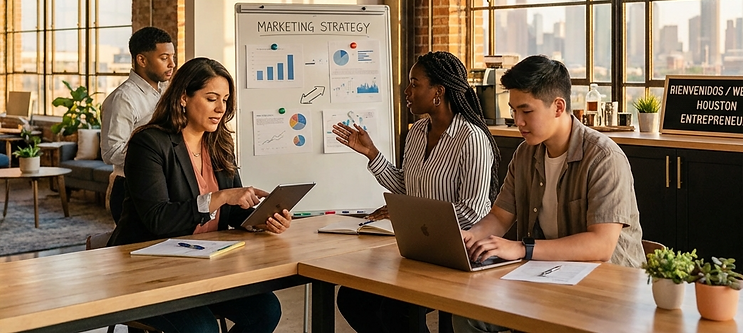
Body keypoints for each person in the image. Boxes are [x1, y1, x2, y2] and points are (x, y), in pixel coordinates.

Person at [453, 55, 644, 333]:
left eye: (526, 111)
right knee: (467, 312)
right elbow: (500, 216)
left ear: (558, 107)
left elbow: (601, 246)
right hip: (548, 276)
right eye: (513, 110)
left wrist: (522, 248)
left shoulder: (603, 157)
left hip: (606, 288)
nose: (517, 121)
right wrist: (469, 237)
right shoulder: (526, 153)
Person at [109, 57, 291, 333]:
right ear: (184, 97)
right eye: (211, 98)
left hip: (205, 268)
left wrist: (263, 219)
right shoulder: (149, 143)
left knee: (266, 309)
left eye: (226, 99)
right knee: (202, 329)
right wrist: (218, 198)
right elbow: (158, 220)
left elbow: (235, 213)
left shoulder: (220, 143)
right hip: (150, 272)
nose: (221, 108)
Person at [331, 50, 501, 333]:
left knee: (397, 309)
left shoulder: (471, 138)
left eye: (414, 83)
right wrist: (372, 154)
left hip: (459, 252)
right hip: (418, 249)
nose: (406, 91)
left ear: (438, 91)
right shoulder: (418, 131)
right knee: (352, 298)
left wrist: (411, 217)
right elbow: (406, 186)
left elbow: (473, 210)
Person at [101, 26, 176, 223]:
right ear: (141, 60)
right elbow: (111, 152)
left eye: (172, 57)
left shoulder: (167, 93)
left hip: (165, 185)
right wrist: (153, 157)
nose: (172, 64)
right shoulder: (122, 99)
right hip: (130, 187)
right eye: (164, 58)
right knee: (134, 252)